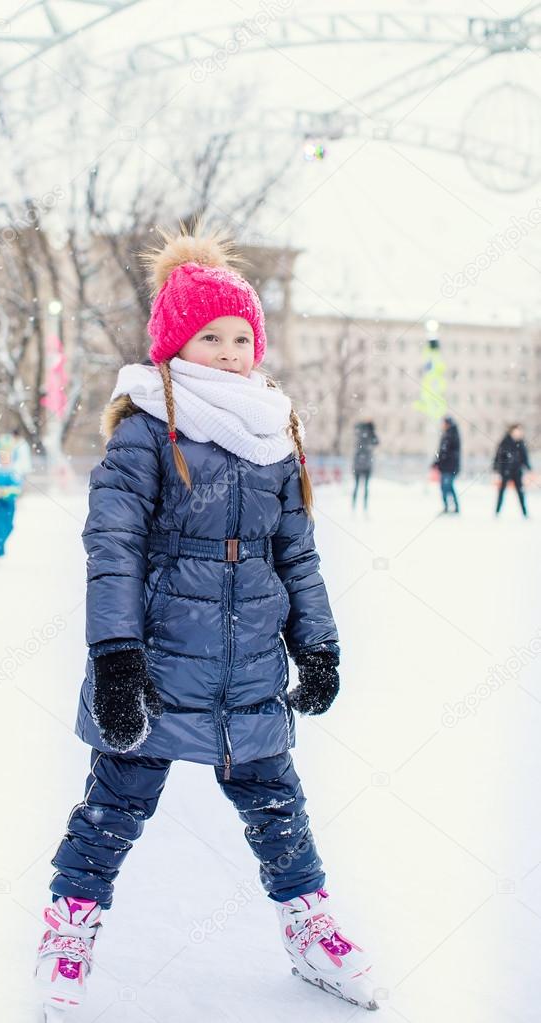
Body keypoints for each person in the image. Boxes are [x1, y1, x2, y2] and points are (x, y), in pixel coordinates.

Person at [34, 222, 379, 1016]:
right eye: (211, 336)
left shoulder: (271, 431)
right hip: (159, 664)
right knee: (115, 803)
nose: (230, 350)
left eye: (241, 336)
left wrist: (317, 644)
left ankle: (307, 923)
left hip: (251, 664)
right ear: (174, 346)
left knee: (277, 805)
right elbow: (112, 548)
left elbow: (297, 553)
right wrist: (117, 658)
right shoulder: (146, 431)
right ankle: (71, 922)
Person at [493, 423, 531, 518]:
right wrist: (496, 467)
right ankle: (497, 512)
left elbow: (524, 456)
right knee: (502, 491)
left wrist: (528, 467)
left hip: (517, 471)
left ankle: (524, 512)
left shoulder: (521, 443)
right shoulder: (505, 441)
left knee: (520, 492)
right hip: (506, 470)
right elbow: (498, 455)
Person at [432, 415, 460, 514]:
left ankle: (450, 507)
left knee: (446, 487)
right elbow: (443, 452)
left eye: (444, 423)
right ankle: (452, 507)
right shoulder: (450, 434)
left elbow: (444, 452)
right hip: (447, 466)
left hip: (449, 467)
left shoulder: (450, 435)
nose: (442, 425)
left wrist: (437, 462)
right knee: (448, 487)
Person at [351, 420, 379, 510]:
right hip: (367, 464)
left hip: (357, 464)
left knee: (356, 486)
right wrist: (372, 430)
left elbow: (355, 427)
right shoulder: (371, 435)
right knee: (366, 487)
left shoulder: (359, 433)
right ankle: (365, 507)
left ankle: (353, 507)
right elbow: (377, 442)